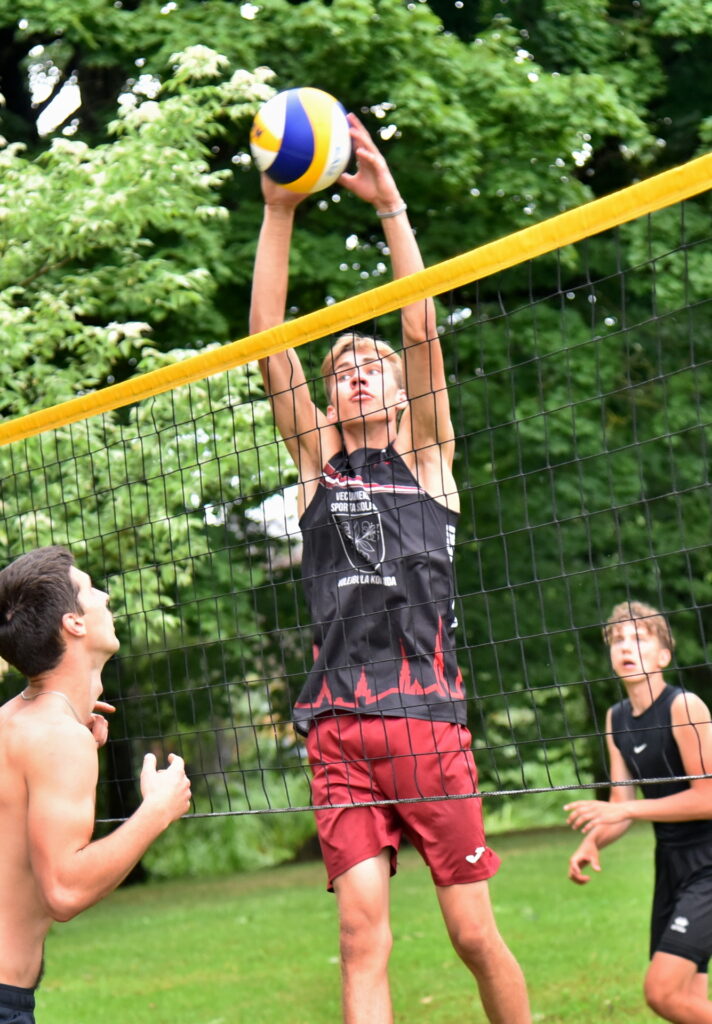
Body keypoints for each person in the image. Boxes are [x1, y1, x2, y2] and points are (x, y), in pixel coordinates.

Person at [251, 113, 531, 1024]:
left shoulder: (430, 461)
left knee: (472, 936)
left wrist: (390, 205)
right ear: (329, 402)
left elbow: (419, 324)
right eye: (342, 372)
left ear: (405, 396)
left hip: (428, 727)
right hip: (339, 729)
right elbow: (268, 339)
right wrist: (279, 211)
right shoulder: (316, 469)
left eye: (373, 367)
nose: (358, 375)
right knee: (359, 939)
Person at [0, 545, 192, 1023]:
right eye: (90, 589)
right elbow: (63, 891)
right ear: (74, 623)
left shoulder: (17, 724)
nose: (104, 596)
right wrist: (156, 811)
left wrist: (73, 726)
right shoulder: (57, 737)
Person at [566, 600, 712, 1023]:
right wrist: (593, 841)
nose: (625, 646)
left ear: (663, 656)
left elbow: (707, 798)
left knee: (662, 993)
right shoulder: (617, 718)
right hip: (671, 866)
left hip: (708, 862)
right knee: (686, 999)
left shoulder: (684, 706)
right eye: (617, 640)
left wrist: (624, 811)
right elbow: (621, 806)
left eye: (638, 638)